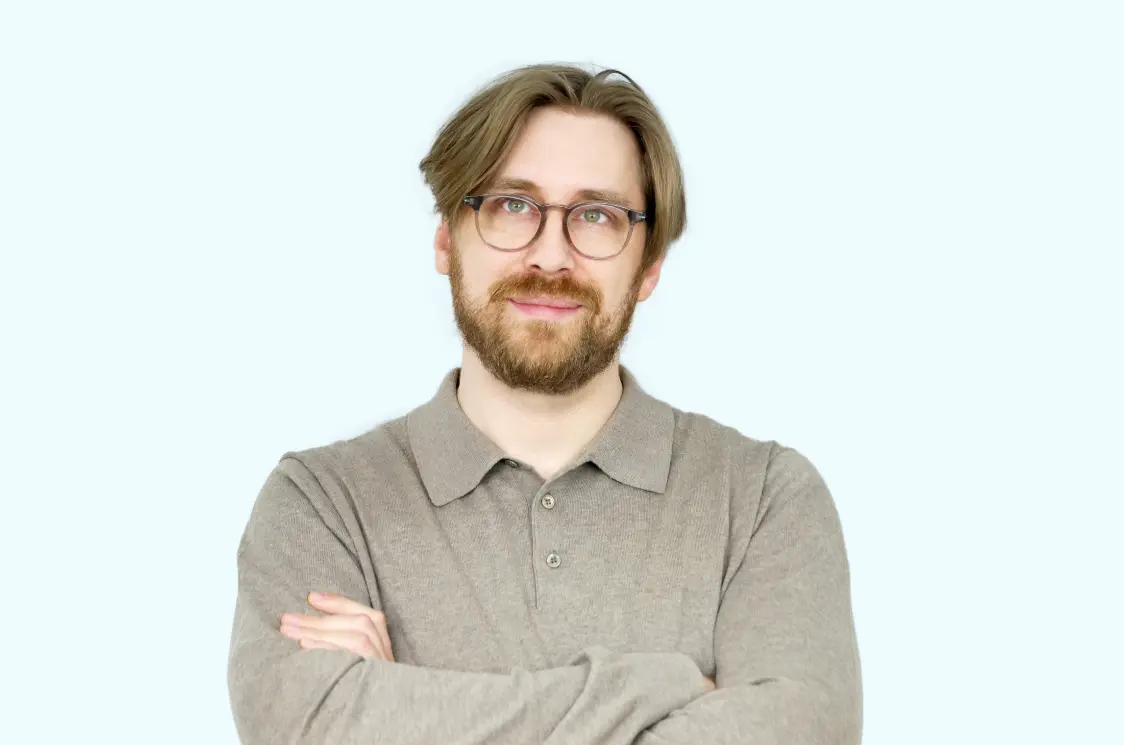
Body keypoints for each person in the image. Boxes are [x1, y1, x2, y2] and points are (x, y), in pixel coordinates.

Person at [227, 63, 862, 745]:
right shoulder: (321, 504)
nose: (551, 255)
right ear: (446, 238)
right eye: (512, 206)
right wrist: (657, 687)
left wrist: (399, 704)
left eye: (597, 215)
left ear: (648, 264)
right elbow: (310, 726)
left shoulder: (766, 500)